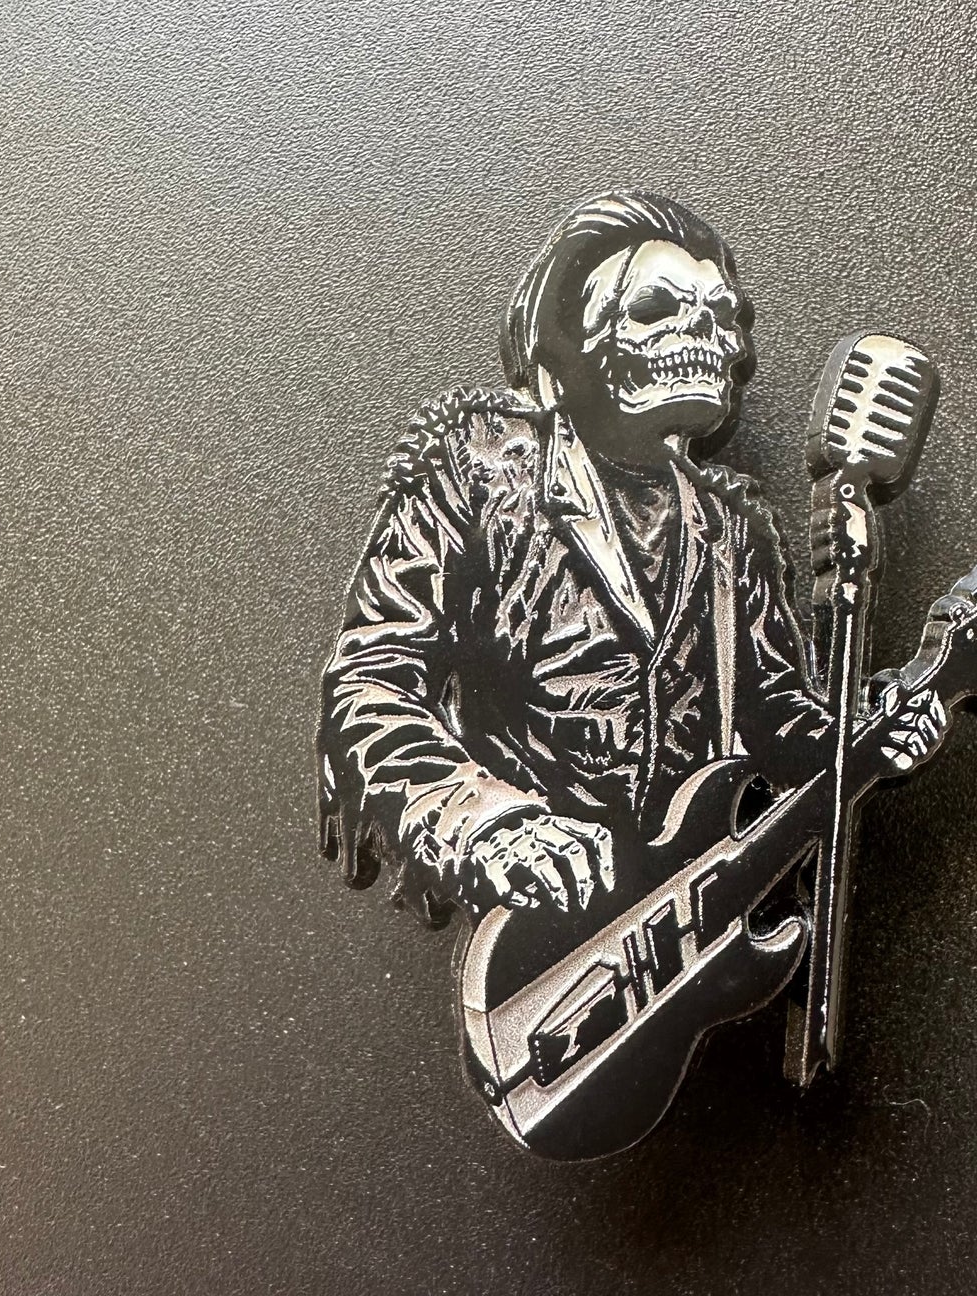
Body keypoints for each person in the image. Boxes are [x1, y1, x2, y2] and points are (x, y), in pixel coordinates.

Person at [317, 192, 942, 926]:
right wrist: (486, 823)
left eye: (723, 313)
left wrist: (875, 724)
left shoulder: (731, 529)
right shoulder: (478, 467)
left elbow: (777, 717)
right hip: (532, 931)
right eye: (656, 307)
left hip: (687, 923)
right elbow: (370, 680)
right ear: (569, 339)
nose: (709, 332)